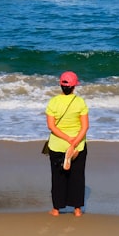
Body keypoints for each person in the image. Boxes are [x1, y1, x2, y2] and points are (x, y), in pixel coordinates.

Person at [45, 71, 89, 217]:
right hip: (78, 146)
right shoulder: (80, 102)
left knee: (58, 177)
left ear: (60, 85)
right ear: (74, 86)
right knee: (77, 176)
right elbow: (85, 127)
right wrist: (74, 141)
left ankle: (56, 209)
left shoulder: (53, 102)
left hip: (57, 145)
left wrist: (66, 139)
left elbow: (51, 126)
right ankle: (77, 210)